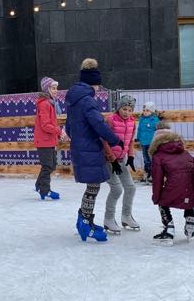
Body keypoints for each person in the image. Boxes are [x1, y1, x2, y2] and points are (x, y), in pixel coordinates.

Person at [65, 58, 124, 243]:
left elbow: (68, 127)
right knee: (93, 185)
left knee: (93, 185)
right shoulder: (87, 101)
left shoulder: (74, 100)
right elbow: (99, 124)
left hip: (81, 147)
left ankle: (86, 220)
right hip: (89, 148)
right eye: (98, 86)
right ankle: (85, 223)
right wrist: (115, 140)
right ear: (93, 83)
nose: (98, 89)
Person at [149, 127, 194, 245]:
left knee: (162, 202)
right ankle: (190, 223)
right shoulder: (184, 152)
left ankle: (169, 230)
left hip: (175, 186)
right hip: (192, 187)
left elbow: (157, 180)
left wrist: (156, 197)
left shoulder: (158, 155)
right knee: (187, 199)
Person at [101, 94, 139, 233]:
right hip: (108, 161)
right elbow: (104, 141)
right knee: (116, 189)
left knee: (131, 188)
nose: (127, 112)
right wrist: (112, 159)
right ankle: (109, 219)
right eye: (124, 109)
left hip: (121, 160)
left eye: (130, 110)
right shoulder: (111, 120)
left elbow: (131, 140)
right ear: (119, 108)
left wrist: (131, 156)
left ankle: (126, 216)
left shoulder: (132, 122)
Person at [33, 76, 61, 200]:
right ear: (47, 89)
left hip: (49, 140)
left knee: (52, 165)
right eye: (53, 88)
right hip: (44, 140)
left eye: (56, 88)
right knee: (47, 166)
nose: (56, 90)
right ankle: (45, 191)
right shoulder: (44, 104)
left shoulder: (50, 103)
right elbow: (45, 125)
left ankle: (39, 185)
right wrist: (58, 131)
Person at [136, 100, 161, 182]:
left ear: (152, 111)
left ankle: (152, 175)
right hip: (143, 142)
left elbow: (158, 130)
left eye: (147, 110)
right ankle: (146, 173)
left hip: (151, 143)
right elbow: (139, 129)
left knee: (152, 158)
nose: (145, 112)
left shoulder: (154, 120)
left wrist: (158, 140)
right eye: (144, 110)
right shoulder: (142, 119)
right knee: (145, 159)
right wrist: (138, 137)